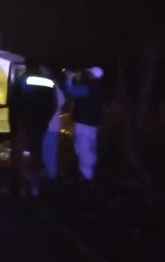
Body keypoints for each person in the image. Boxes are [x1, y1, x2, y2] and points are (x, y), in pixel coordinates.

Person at [8, 63, 58, 198]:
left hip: (23, 123)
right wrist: (45, 121)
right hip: (39, 124)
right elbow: (53, 104)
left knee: (19, 156)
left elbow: (13, 104)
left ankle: (17, 188)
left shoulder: (22, 80)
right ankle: (35, 188)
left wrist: (13, 125)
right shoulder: (49, 82)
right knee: (36, 155)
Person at [64, 66, 104, 182]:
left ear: (92, 75)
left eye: (89, 72)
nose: (87, 74)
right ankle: (91, 174)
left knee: (82, 149)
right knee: (91, 148)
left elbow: (70, 90)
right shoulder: (100, 88)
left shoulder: (89, 87)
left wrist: (69, 78)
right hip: (94, 124)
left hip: (83, 122)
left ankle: (86, 176)